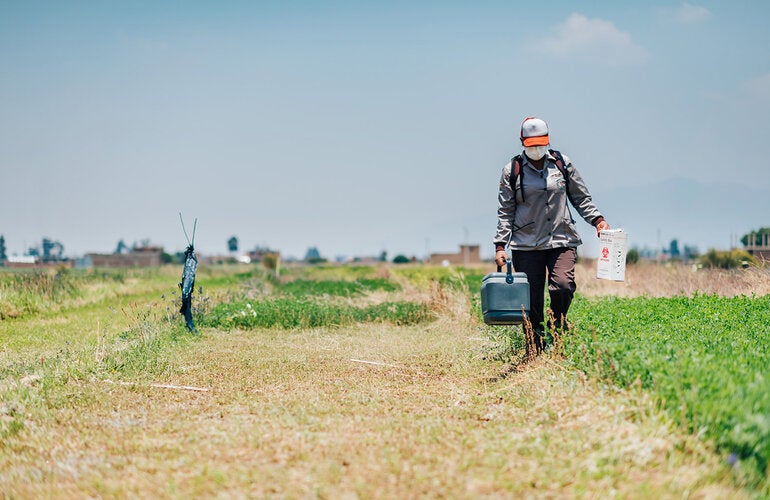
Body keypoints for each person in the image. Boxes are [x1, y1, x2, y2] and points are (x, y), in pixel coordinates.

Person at [494, 117, 609, 340]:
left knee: (563, 286)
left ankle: (557, 325)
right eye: (531, 144)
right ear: (522, 141)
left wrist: (598, 220)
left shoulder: (561, 164)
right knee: (532, 298)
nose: (537, 148)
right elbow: (505, 210)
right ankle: (535, 342)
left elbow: (581, 197)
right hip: (526, 244)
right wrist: (500, 245)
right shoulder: (512, 170)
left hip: (562, 238)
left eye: (541, 142)